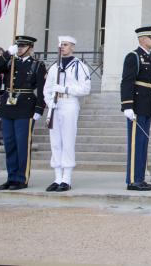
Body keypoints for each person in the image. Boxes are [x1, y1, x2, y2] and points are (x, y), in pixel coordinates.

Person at [0, 35, 46, 191]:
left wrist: (39, 109)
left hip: (25, 107)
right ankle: (11, 177)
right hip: (8, 107)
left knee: (22, 144)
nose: (20, 49)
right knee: (9, 143)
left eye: (23, 47)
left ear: (30, 48)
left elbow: (42, 90)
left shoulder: (37, 65)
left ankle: (21, 178)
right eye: (18, 46)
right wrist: (7, 54)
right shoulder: (10, 61)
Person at [42, 36, 91, 192]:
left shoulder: (80, 66)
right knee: (55, 141)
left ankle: (66, 178)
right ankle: (57, 177)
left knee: (68, 140)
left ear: (73, 47)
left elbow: (85, 89)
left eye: (65, 44)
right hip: (55, 105)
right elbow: (47, 88)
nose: (62, 47)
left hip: (69, 102)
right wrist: (49, 101)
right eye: (61, 45)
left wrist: (65, 89)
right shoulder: (54, 66)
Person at [120, 26, 151, 191]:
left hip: (146, 104)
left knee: (142, 143)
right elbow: (127, 81)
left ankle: (140, 178)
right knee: (136, 143)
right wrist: (127, 105)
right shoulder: (133, 56)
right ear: (142, 39)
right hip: (136, 105)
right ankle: (133, 180)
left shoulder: (149, 58)